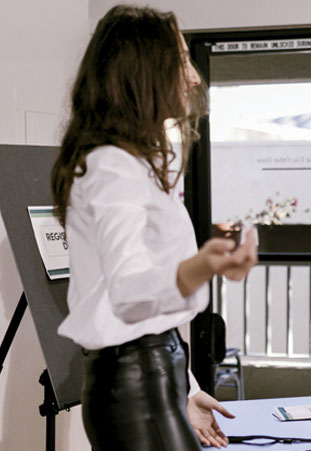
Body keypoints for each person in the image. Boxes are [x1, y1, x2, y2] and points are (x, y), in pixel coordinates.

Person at [51, 5, 258, 450]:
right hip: (132, 386)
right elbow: (129, 293)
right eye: (182, 62)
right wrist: (201, 266)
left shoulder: (133, 163)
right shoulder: (109, 166)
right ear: (145, 70)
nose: (194, 78)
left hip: (153, 374)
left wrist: (184, 389)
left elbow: (149, 317)